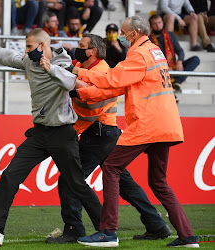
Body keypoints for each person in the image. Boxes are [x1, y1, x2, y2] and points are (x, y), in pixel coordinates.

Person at [71, 16, 199, 248]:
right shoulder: (153, 52)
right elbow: (117, 88)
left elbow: (111, 79)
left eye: (123, 32)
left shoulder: (138, 55)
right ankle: (187, 236)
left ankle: (108, 232)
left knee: (111, 168)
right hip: (167, 124)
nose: (120, 36)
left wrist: (77, 73)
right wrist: (84, 94)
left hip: (148, 123)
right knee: (158, 182)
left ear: (135, 33)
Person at [0, 28, 102, 246]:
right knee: (10, 175)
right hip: (40, 133)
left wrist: (48, 68)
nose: (25, 51)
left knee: (76, 183)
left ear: (41, 46)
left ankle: (105, 229)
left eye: (29, 47)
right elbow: (10, 57)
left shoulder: (63, 61)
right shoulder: (30, 60)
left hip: (62, 133)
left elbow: (69, 83)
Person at [45, 33, 172, 244]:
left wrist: (74, 102)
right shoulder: (90, 67)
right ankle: (157, 225)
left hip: (99, 134)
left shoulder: (102, 71)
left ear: (92, 51)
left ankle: (74, 230)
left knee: (69, 180)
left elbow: (94, 107)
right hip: (106, 133)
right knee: (124, 184)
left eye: (81, 46)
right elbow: (68, 66)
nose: (77, 49)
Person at [149, 14, 200, 91]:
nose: (158, 25)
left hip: (174, 66)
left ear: (163, 23)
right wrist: (164, 67)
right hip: (159, 69)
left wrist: (180, 61)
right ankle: (175, 83)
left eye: (159, 22)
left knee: (195, 59)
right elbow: (150, 59)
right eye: (155, 24)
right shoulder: (148, 40)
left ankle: (177, 82)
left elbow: (180, 50)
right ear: (151, 26)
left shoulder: (170, 35)